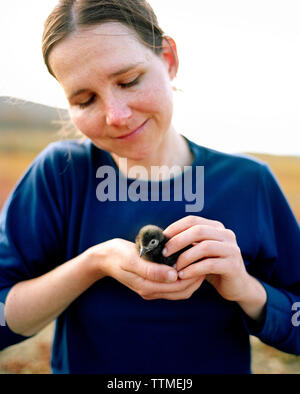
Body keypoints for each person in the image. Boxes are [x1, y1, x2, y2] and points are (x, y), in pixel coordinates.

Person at [0, 0, 299, 374]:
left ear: (169, 59)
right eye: (85, 99)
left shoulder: (249, 183)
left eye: (129, 81)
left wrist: (248, 290)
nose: (117, 116)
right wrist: (93, 264)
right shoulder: (59, 176)